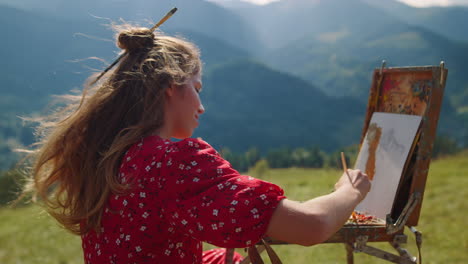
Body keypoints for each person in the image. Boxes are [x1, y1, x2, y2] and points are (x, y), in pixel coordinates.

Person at [23, 25, 371, 264]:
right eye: (197, 89)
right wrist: (349, 191)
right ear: (171, 87)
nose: (201, 106)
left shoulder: (108, 159)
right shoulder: (172, 162)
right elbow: (311, 226)